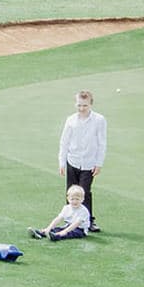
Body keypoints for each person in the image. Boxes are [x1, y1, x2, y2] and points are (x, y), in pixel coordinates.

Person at [57, 88, 106, 232]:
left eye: (85, 105)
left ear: (90, 104)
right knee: (71, 192)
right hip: (72, 160)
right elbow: (64, 142)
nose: (81, 108)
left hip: (89, 163)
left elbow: (102, 143)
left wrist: (99, 163)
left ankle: (88, 221)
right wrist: (61, 162)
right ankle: (69, 221)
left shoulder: (99, 120)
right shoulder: (71, 120)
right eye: (79, 105)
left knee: (84, 192)